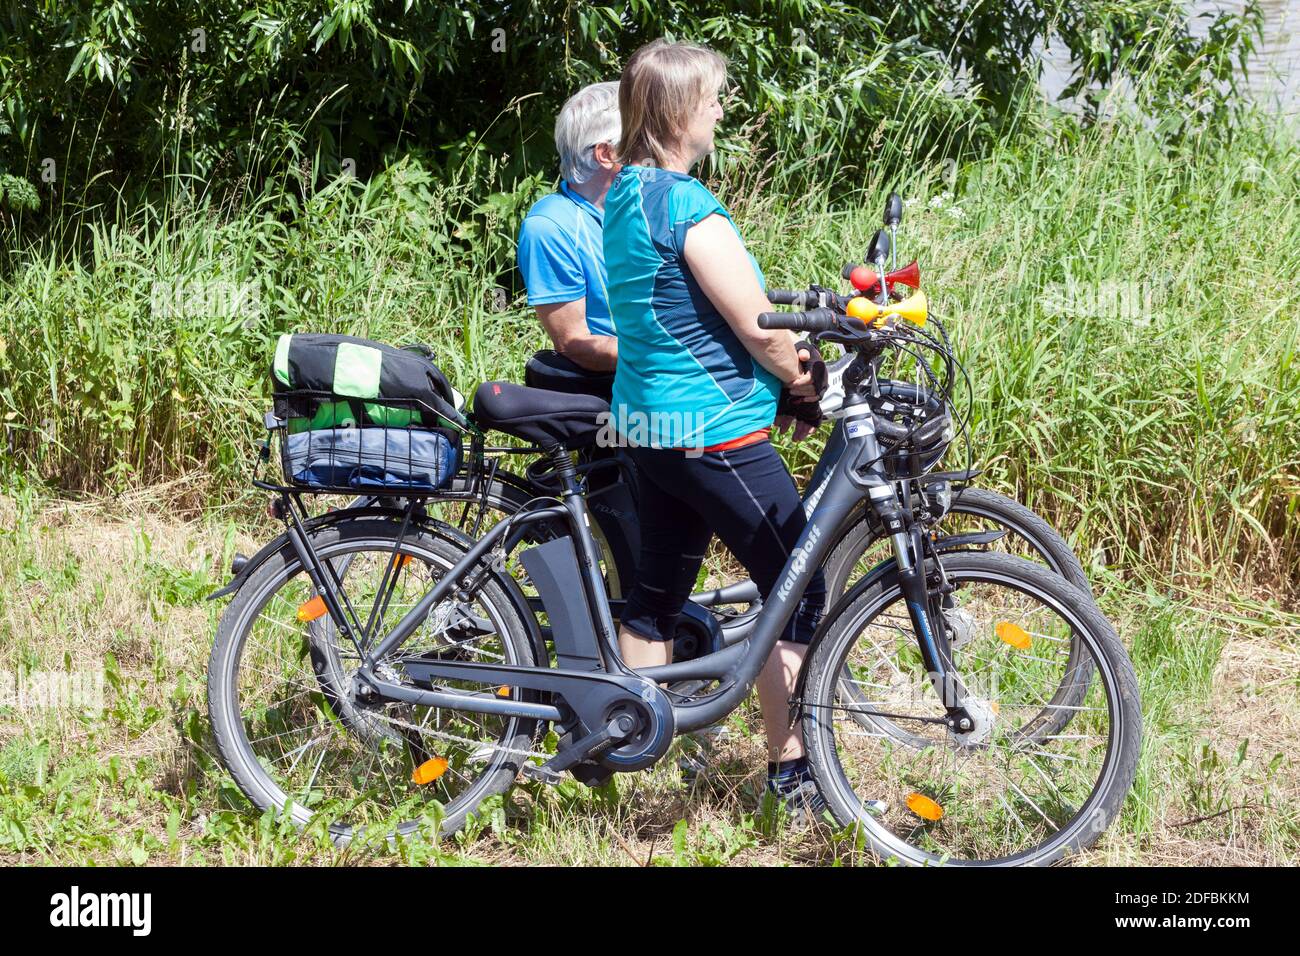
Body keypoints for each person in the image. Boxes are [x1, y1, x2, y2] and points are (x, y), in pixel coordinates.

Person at [602, 39, 828, 813]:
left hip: (647, 428)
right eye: (714, 98)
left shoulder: (625, 198)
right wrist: (805, 383)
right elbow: (760, 329)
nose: (722, 110)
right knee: (797, 592)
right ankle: (791, 774)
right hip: (714, 431)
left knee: (653, 599)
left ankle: (622, 749)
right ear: (677, 111)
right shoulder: (691, 208)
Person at [517, 81, 621, 373]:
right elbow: (574, 344)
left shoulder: (646, 204)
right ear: (606, 153)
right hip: (620, 390)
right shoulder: (550, 226)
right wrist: (669, 354)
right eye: (640, 140)